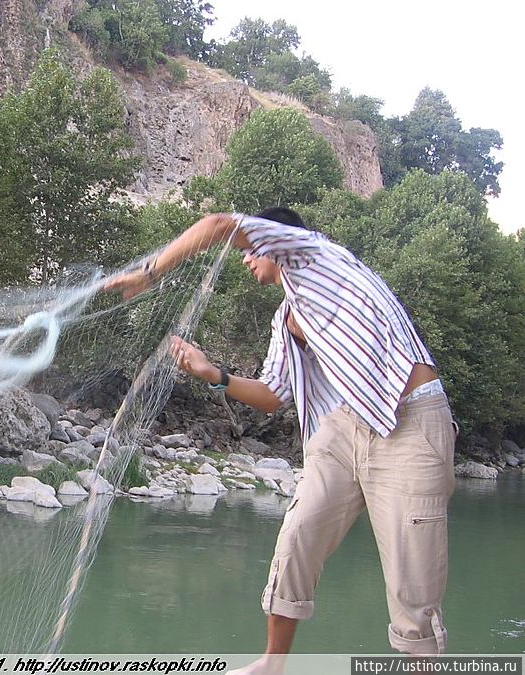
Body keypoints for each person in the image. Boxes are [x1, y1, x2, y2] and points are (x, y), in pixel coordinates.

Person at [104, 208, 456, 673]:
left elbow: (216, 224)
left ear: (276, 240)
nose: (247, 260)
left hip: (408, 420)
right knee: (295, 540)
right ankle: (273, 664)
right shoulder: (285, 317)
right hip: (340, 430)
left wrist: (149, 273)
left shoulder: (315, 254)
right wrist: (215, 375)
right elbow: (273, 396)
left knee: (414, 583)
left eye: (251, 252)